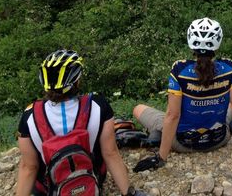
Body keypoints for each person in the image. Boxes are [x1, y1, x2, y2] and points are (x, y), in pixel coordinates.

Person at [133, 17, 232, 171]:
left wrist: (161, 158)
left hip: (182, 143)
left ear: (190, 41)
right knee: (231, 104)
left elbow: (172, 115)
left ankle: (159, 137)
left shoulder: (179, 70)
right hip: (219, 139)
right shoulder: (230, 68)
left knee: (138, 108)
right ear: (218, 42)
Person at [16, 49, 147, 196]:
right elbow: (110, 153)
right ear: (76, 81)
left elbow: (29, 167)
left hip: (50, 189)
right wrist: (130, 193)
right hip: (89, 181)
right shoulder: (98, 106)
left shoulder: (30, 116)